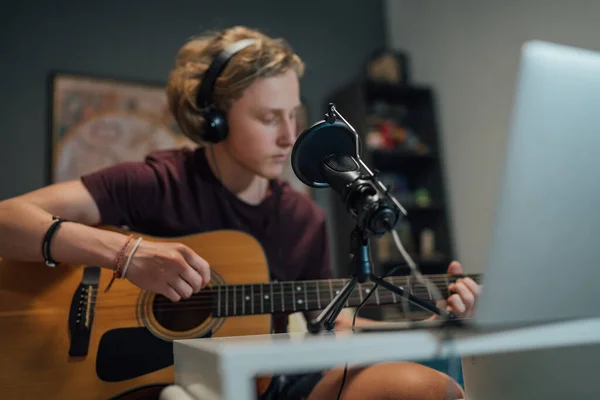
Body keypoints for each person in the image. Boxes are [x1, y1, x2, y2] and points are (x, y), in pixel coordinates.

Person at [0, 26, 480, 400]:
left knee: (433, 389)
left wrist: (432, 315)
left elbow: (332, 324)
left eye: (293, 115)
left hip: (269, 384)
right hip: (153, 382)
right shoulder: (156, 181)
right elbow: (8, 219)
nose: (290, 137)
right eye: (269, 118)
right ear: (216, 118)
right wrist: (126, 253)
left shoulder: (302, 219)